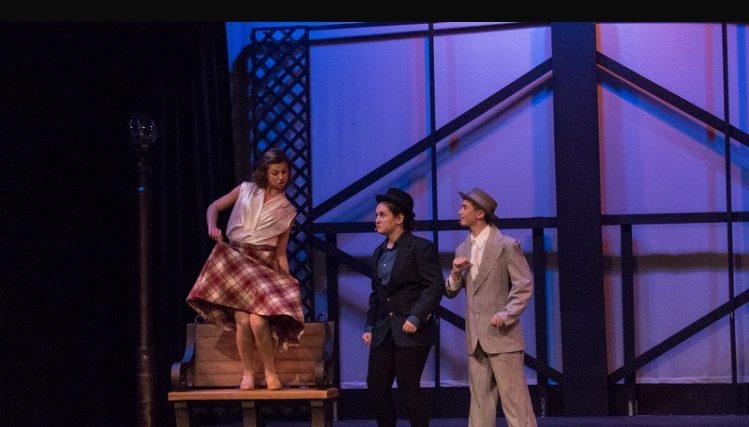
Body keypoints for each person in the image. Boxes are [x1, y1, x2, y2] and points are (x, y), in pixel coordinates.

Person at [186, 148, 304, 391]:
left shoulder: (288, 210)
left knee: (258, 321)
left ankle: (270, 371)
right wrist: (213, 227)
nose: (281, 177)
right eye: (275, 173)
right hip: (237, 258)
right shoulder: (246, 190)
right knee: (242, 319)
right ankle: (248, 373)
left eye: (284, 172)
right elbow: (214, 207)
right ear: (265, 173)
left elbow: (280, 251)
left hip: (262, 263)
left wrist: (287, 276)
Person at [445, 187, 537, 427]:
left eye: (464, 207)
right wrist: (455, 273)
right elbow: (451, 291)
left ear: (480, 213)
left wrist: (506, 314)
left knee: (515, 402)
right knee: (480, 403)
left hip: (502, 336)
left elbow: (523, 286)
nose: (459, 211)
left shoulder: (506, 246)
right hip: (476, 338)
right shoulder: (462, 250)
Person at [361, 187, 445, 427]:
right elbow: (377, 294)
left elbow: (434, 286)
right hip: (384, 329)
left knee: (408, 387)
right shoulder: (379, 253)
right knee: (376, 385)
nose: (376, 220)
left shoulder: (420, 247)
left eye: (382, 215)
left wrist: (416, 316)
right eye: (376, 215)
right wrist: (369, 325)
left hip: (411, 330)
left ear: (399, 218)